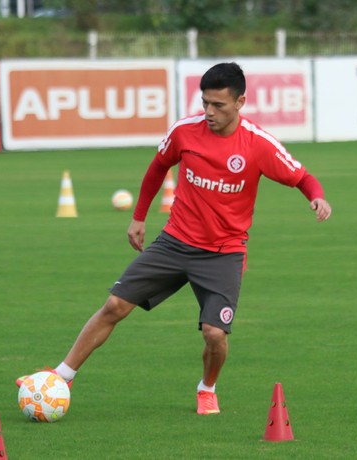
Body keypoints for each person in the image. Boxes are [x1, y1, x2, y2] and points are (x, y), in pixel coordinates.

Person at [17, 62, 332, 415]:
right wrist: (138, 218)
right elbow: (157, 168)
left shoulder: (259, 145)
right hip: (174, 242)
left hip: (223, 253)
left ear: (240, 102)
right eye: (205, 103)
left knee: (215, 333)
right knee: (114, 306)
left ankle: (207, 388)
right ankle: (61, 375)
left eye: (219, 105)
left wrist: (316, 197)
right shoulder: (185, 131)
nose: (209, 112)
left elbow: (302, 176)